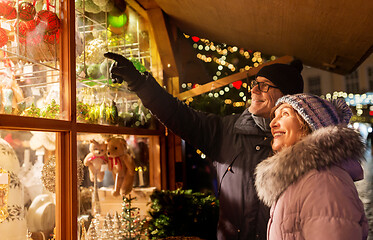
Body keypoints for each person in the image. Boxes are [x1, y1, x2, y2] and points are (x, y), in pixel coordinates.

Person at [104, 52, 304, 240]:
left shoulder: (304, 145)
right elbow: (178, 114)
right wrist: (138, 82)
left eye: (264, 86)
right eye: (254, 84)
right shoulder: (226, 131)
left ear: (287, 97)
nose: (253, 90)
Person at [255, 93, 369, 240]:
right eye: (274, 116)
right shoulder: (300, 178)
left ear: (309, 124)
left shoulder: (323, 181)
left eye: (284, 114)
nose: (272, 124)